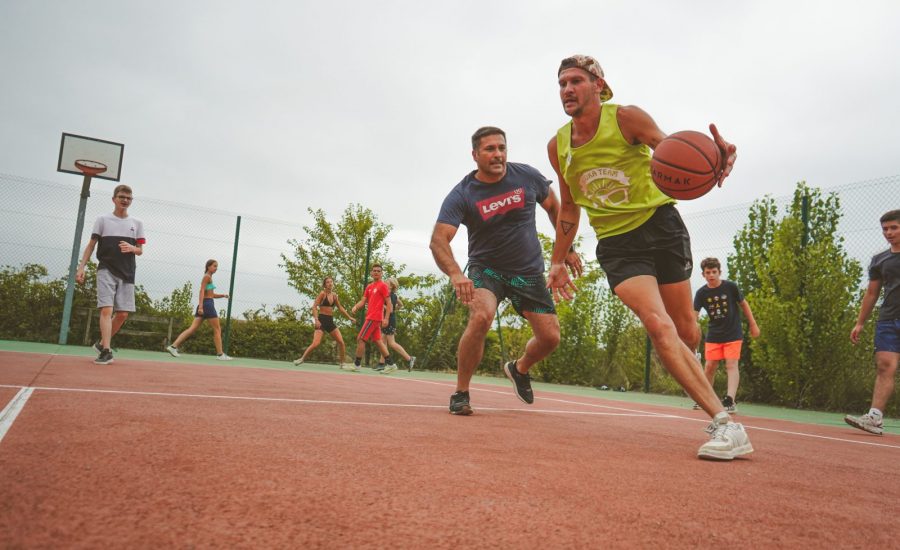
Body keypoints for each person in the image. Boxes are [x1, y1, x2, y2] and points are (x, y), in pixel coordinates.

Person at [544, 54, 752, 460]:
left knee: (686, 330)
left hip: (660, 226)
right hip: (618, 244)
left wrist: (715, 158)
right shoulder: (559, 146)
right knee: (659, 327)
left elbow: (672, 148)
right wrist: (557, 259)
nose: (567, 90)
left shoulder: (625, 118)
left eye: (575, 81)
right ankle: (726, 425)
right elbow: (569, 207)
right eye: (561, 83)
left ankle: (688, 367)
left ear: (598, 85)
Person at [430, 126, 582, 416]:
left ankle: (519, 368)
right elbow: (438, 240)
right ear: (475, 155)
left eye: (502, 147)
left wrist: (567, 250)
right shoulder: (463, 193)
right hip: (487, 271)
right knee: (481, 316)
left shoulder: (528, 176)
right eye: (489, 149)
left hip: (527, 272)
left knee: (550, 338)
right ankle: (461, 392)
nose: (498, 154)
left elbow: (555, 207)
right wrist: (455, 274)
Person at [75, 184, 145, 365]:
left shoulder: (137, 223)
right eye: (122, 197)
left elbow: (140, 250)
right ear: (114, 199)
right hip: (106, 269)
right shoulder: (102, 219)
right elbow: (91, 245)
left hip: (128, 272)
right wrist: (81, 267)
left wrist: (132, 248)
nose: (125, 200)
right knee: (107, 309)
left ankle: (100, 343)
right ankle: (106, 351)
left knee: (122, 314)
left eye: (128, 198)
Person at [844, 210, 900, 435]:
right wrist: (860, 323)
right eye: (885, 229)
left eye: (894, 228)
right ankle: (875, 417)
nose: (889, 233)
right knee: (885, 366)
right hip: (888, 320)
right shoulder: (880, 260)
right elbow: (871, 293)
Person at [693, 257, 760, 413]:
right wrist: (692, 333)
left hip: (733, 333)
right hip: (714, 335)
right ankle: (704, 398)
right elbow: (694, 315)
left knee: (731, 364)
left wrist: (753, 324)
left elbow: (744, 304)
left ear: (719, 272)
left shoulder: (731, 287)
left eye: (714, 272)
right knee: (709, 367)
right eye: (708, 272)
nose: (711, 275)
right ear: (703, 274)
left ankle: (730, 401)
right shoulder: (701, 293)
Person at [166, 259, 232, 360]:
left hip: (206, 303)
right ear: (208, 266)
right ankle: (220, 354)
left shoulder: (209, 277)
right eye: (214, 266)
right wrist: (201, 306)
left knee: (192, 329)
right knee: (217, 329)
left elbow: (211, 294)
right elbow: (201, 291)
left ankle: (173, 347)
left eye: (217, 266)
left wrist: (223, 295)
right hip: (207, 305)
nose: (216, 268)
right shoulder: (206, 277)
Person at [292, 276, 354, 368]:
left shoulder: (334, 295)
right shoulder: (322, 294)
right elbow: (314, 307)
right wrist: (316, 320)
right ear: (325, 285)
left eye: (331, 282)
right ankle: (301, 359)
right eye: (328, 282)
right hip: (321, 321)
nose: (330, 283)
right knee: (316, 343)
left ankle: (342, 364)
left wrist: (350, 317)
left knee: (341, 342)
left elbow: (340, 308)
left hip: (330, 321)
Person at [350, 264, 396, 373]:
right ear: (371, 273)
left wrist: (386, 318)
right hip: (370, 317)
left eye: (378, 271)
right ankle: (391, 364)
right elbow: (363, 301)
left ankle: (357, 364)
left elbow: (389, 303)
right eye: (374, 271)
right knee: (378, 341)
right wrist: (356, 306)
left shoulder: (383, 286)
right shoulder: (369, 287)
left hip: (374, 318)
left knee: (361, 339)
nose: (376, 272)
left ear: (381, 273)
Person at [378, 277, 416, 372]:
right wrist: (395, 309)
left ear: (391, 286)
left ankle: (409, 358)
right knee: (383, 342)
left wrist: (381, 305)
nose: (384, 283)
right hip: (388, 320)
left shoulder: (390, 295)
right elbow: (401, 304)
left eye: (386, 283)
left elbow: (390, 310)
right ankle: (381, 364)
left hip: (389, 321)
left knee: (391, 343)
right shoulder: (393, 295)